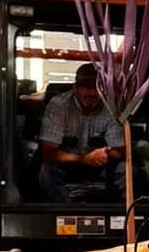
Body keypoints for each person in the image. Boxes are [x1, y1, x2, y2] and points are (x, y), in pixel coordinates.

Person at [38, 63, 124, 202]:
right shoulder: (59, 105)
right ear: (75, 88)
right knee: (45, 171)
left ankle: (116, 215)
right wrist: (82, 159)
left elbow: (119, 151)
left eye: (96, 88)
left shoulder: (111, 106)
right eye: (86, 87)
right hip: (66, 166)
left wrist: (104, 153)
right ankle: (65, 213)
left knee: (126, 169)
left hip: (100, 167)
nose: (91, 93)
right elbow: (47, 152)